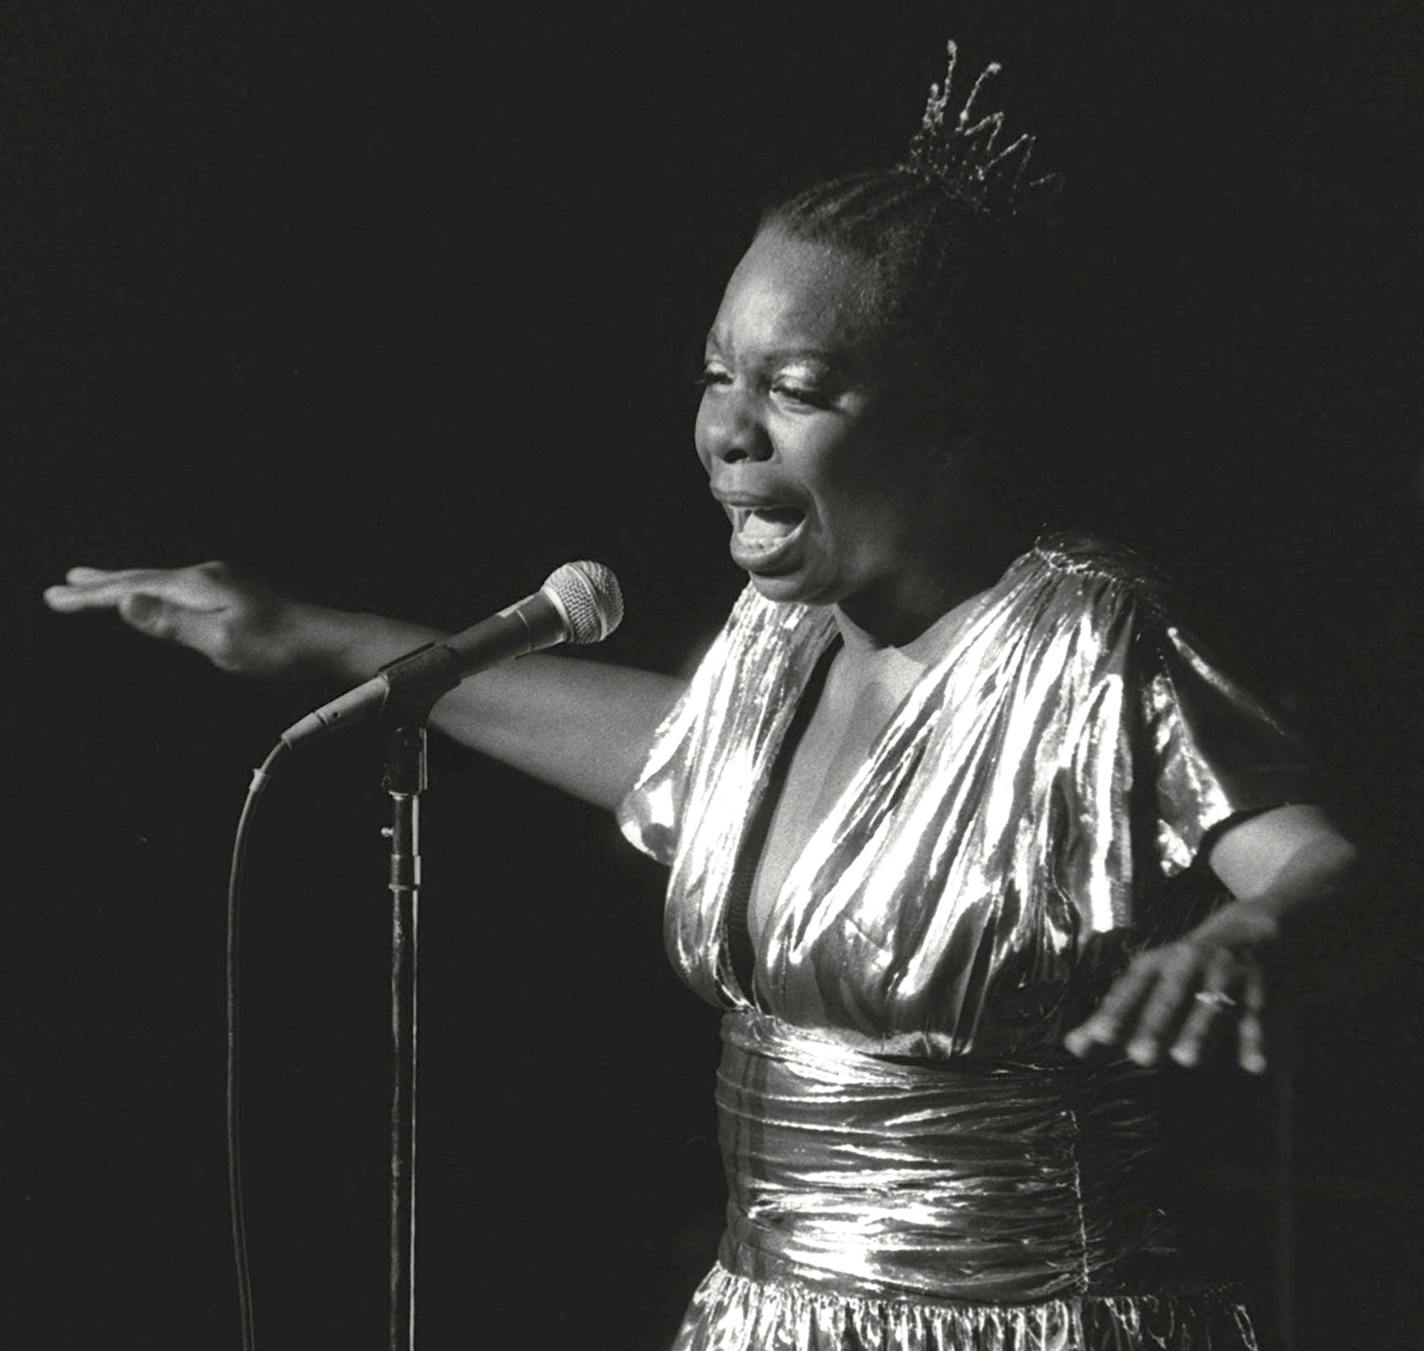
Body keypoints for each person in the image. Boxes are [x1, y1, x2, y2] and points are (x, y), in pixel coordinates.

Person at [46, 42, 1357, 1351]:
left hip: (1030, 1325)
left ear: (953, 415)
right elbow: (685, 765)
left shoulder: (1089, 636)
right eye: (715, 375)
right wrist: (309, 637)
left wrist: (1249, 936)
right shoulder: (781, 635)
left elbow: (1327, 866)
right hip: (766, 1316)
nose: (728, 431)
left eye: (797, 389)